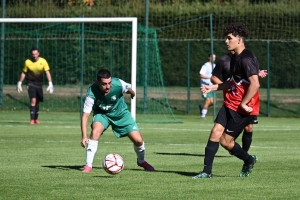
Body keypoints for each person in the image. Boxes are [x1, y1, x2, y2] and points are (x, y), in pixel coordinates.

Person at [193, 22, 260, 178]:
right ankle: (206, 172)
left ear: (239, 39)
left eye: (229, 38)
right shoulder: (235, 58)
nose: (226, 41)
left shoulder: (247, 58)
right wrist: (213, 88)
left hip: (241, 109)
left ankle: (249, 159)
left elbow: (255, 83)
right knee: (215, 132)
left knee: (226, 142)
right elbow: (233, 82)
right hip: (230, 103)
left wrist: (244, 103)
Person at [80, 69, 155, 173]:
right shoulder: (91, 92)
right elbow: (85, 116)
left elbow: (128, 89)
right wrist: (84, 136)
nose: (107, 87)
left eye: (109, 83)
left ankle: (141, 161)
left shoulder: (118, 84)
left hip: (121, 114)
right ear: (97, 82)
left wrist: (132, 93)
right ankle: (88, 166)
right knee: (95, 132)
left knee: (138, 140)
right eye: (104, 84)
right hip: (103, 114)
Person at [211, 51, 268, 152]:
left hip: (247, 99)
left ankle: (245, 154)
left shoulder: (246, 58)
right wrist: (226, 87)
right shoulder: (224, 60)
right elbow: (214, 77)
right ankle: (235, 149)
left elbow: (250, 76)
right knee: (221, 133)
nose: (228, 42)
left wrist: (258, 72)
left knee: (249, 127)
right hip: (232, 99)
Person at [16, 47, 54, 125]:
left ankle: (36, 118)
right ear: (31, 54)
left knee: (37, 102)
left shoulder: (43, 61)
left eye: (36, 54)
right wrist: (19, 82)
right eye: (33, 54)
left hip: (39, 84)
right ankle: (32, 119)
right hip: (30, 83)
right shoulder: (27, 62)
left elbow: (47, 72)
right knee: (33, 100)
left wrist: (50, 83)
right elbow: (24, 73)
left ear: (38, 54)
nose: (34, 56)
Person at [199, 54, 216, 119]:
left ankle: (202, 107)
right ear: (209, 57)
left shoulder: (214, 66)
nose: (214, 59)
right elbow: (201, 75)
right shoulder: (205, 66)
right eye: (212, 57)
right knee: (208, 101)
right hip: (205, 87)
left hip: (211, 87)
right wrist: (209, 77)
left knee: (212, 102)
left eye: (215, 57)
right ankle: (203, 116)